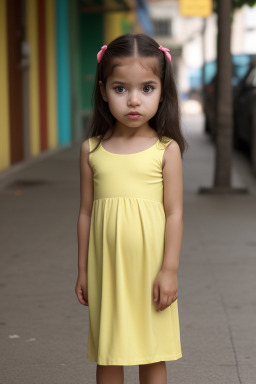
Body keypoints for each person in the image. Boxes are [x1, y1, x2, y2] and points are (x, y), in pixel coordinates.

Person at [75, 33, 188, 384]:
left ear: (162, 91)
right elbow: (86, 212)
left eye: (147, 88)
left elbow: (174, 213)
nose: (133, 100)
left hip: (150, 270)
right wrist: (83, 270)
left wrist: (169, 270)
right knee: (110, 351)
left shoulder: (165, 150)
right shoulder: (91, 150)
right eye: (121, 89)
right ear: (103, 90)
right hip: (107, 268)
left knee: (152, 351)